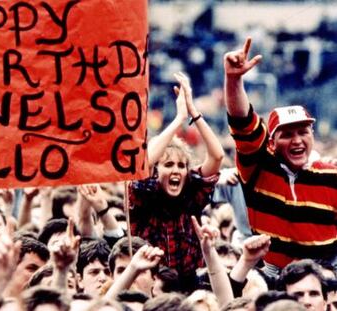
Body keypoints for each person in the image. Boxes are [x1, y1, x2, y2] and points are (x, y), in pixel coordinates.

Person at [224, 37, 337, 272]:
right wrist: (234, 79)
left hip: (325, 278)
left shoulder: (332, 174)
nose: (297, 140)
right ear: (271, 143)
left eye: (303, 132)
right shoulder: (259, 167)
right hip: (273, 276)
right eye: (286, 134)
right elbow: (242, 122)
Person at [130, 72, 224, 291]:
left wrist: (194, 113)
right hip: (149, 285)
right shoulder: (144, 194)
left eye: (181, 166)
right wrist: (178, 120)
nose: (176, 171)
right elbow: (144, 164)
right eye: (169, 165)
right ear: (156, 171)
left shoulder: (192, 193)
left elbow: (217, 156)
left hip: (189, 287)